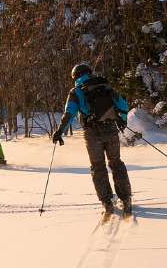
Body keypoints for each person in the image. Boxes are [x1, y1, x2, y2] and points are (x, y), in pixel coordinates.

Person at [49, 62, 134, 214]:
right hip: (110, 129)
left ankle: (107, 202)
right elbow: (123, 106)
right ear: (89, 72)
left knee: (98, 166)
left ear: (75, 77)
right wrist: (122, 120)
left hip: (92, 133)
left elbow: (69, 113)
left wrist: (59, 131)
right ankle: (126, 198)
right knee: (116, 163)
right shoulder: (104, 85)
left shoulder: (76, 91)